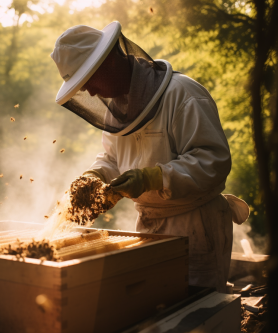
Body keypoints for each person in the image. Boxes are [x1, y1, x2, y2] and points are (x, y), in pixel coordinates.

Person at [50, 22, 250, 292]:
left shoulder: (183, 94)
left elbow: (212, 161)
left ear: (108, 62)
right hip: (147, 224)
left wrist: (154, 178)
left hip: (195, 226)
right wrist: (94, 176)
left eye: (89, 81)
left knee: (198, 315)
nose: (91, 93)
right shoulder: (116, 113)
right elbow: (112, 158)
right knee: (154, 309)